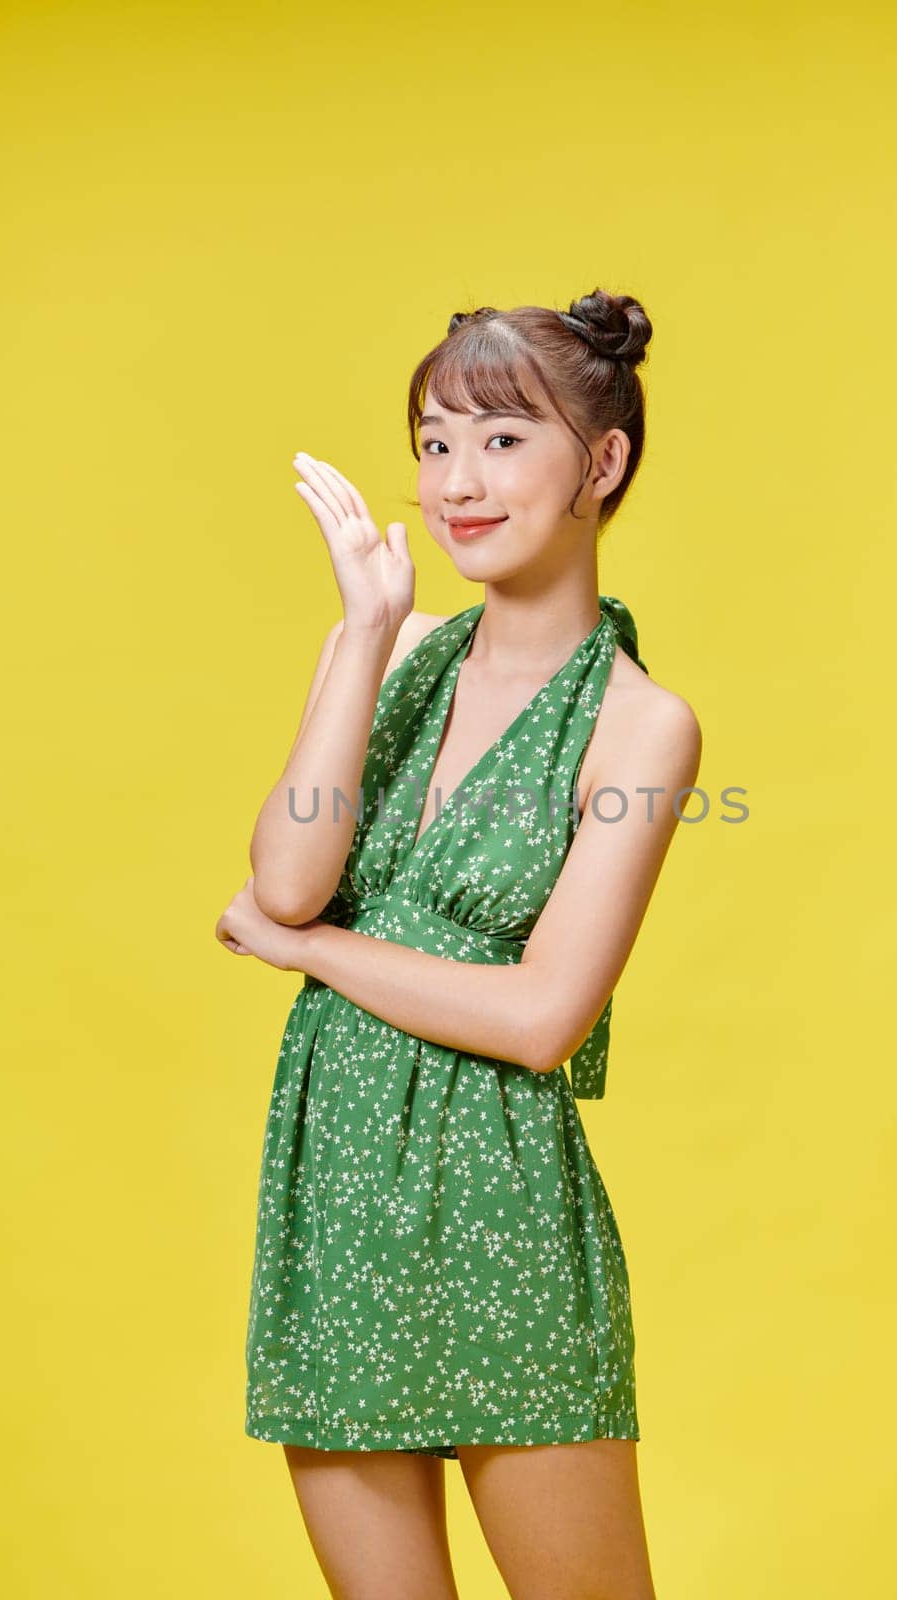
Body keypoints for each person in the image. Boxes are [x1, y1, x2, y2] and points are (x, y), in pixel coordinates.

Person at [216, 289, 702, 1600]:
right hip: (337, 1205)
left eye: (500, 439)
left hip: (501, 1217)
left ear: (599, 465)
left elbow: (542, 1016)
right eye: (434, 444)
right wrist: (366, 630)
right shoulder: (394, 650)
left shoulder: (640, 728)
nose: (456, 481)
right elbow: (289, 873)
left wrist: (306, 953)